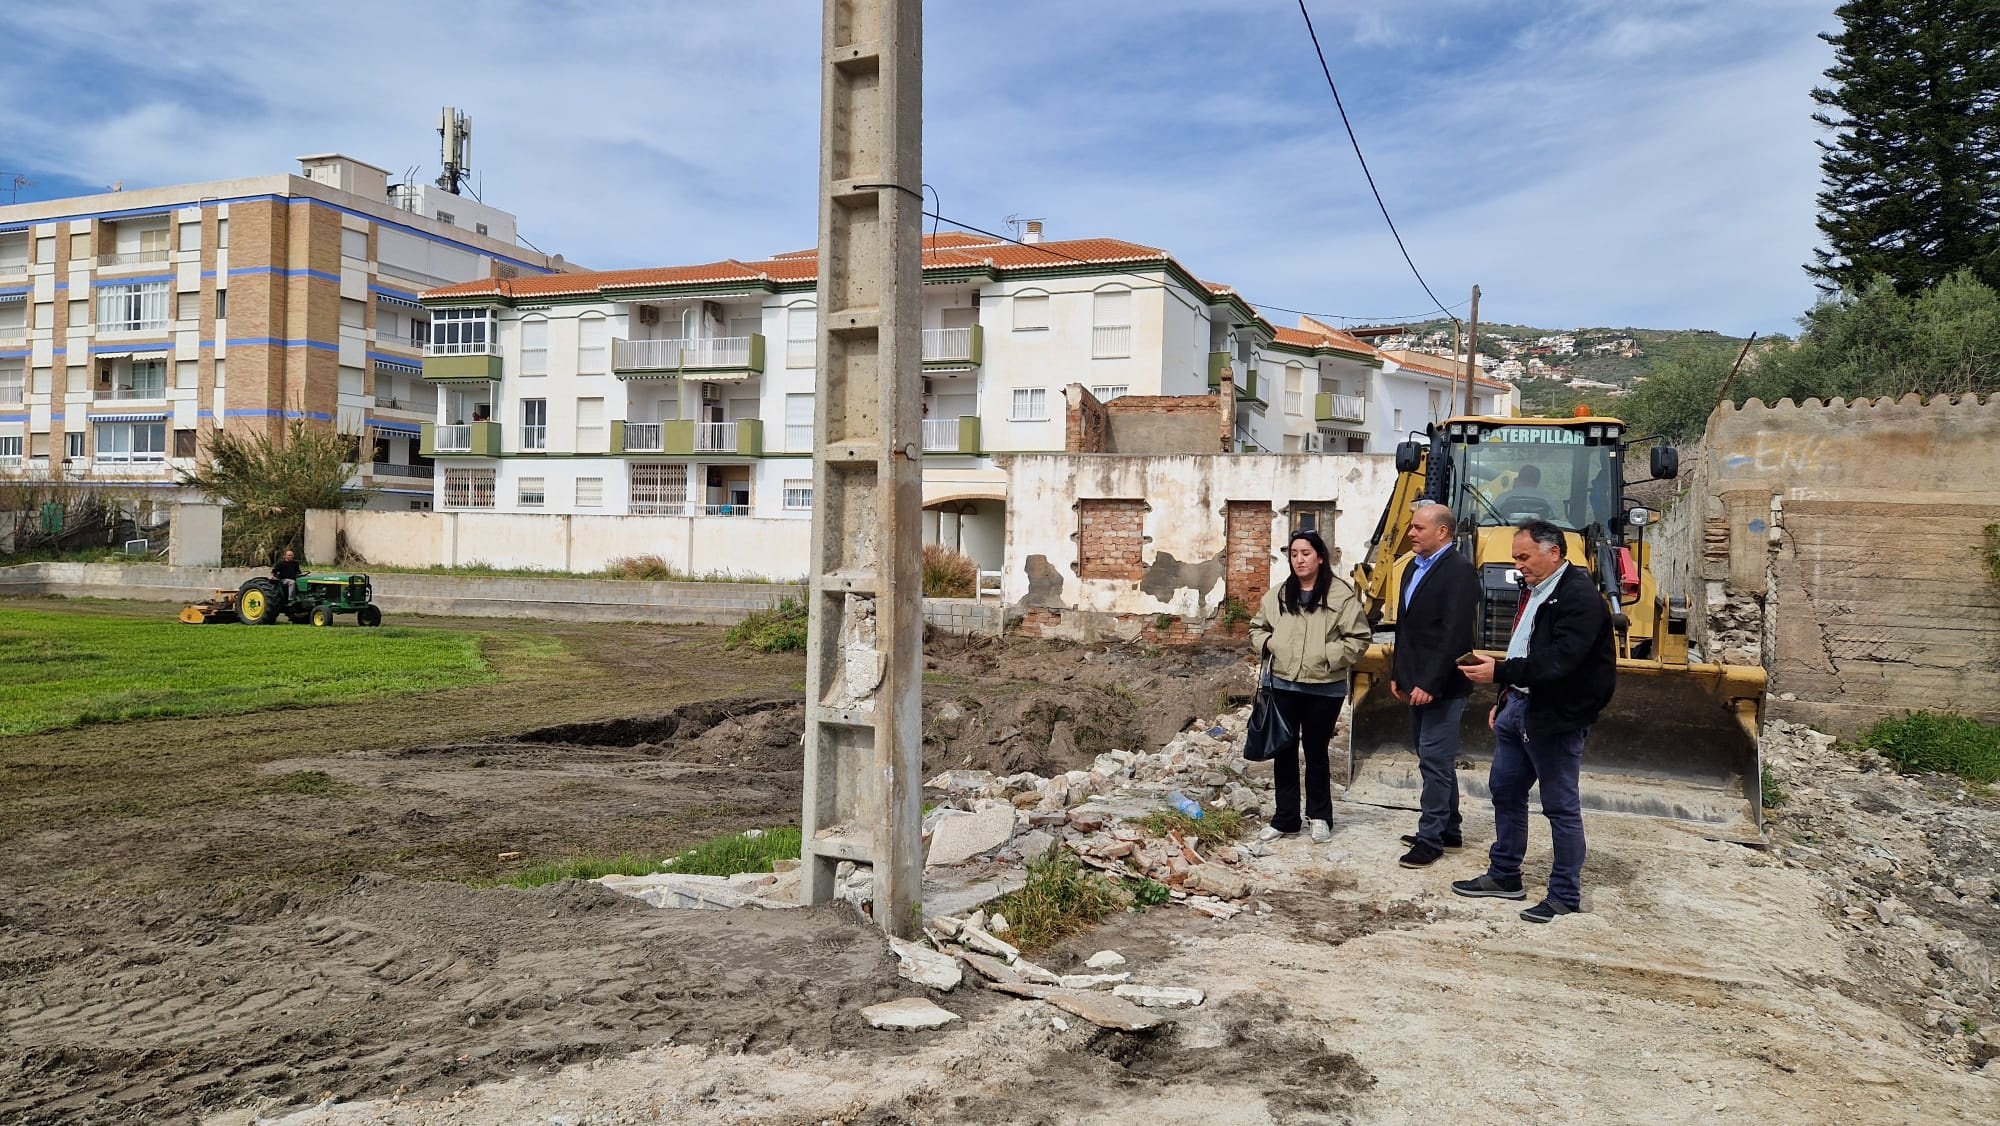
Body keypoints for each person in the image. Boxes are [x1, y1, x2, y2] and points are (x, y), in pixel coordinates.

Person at [1455, 520, 1617, 923]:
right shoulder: (1535, 592)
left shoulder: (1578, 598)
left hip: (1554, 717)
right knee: (1505, 791)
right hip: (1519, 708)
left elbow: (1559, 661)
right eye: (1515, 556)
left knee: (1559, 806)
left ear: (1555, 553)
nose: (1517, 564)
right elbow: (1521, 649)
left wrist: (1501, 675)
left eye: (1524, 556)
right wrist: (1504, 696)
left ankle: (1564, 894)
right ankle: (1505, 874)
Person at [1248, 529, 1372, 845]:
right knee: (1284, 752)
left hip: (1324, 688)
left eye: (1305, 553)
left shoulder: (1340, 596)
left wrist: (1327, 655)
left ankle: (1319, 817)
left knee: (1316, 753)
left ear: (1319, 557)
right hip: (1284, 685)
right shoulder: (1278, 594)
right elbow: (1256, 628)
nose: (1299, 559)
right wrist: (1270, 642)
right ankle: (1286, 819)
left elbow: (1359, 639)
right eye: (1293, 554)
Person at [1388, 501, 1479, 869]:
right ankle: (1450, 829)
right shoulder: (1412, 567)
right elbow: (1405, 628)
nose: (1411, 533)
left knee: (1435, 762)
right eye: (1412, 527)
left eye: (1418, 528)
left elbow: (1455, 635)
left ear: (1442, 532)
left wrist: (1429, 681)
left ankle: (1430, 838)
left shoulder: (1459, 572)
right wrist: (1399, 673)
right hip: (1415, 681)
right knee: (1432, 759)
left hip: (1442, 686)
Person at [1492, 464, 1557, 522]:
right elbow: (1555, 520)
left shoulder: (1503, 498)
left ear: (1518, 479)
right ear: (1537, 482)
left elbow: (1491, 518)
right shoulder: (1548, 499)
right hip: (1541, 533)